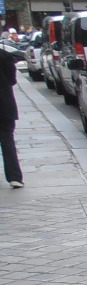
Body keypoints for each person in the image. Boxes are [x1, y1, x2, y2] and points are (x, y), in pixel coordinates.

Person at [0, 42, 22, 188]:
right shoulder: (3, 55)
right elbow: (12, 80)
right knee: (7, 141)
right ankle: (14, 177)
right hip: (4, 104)